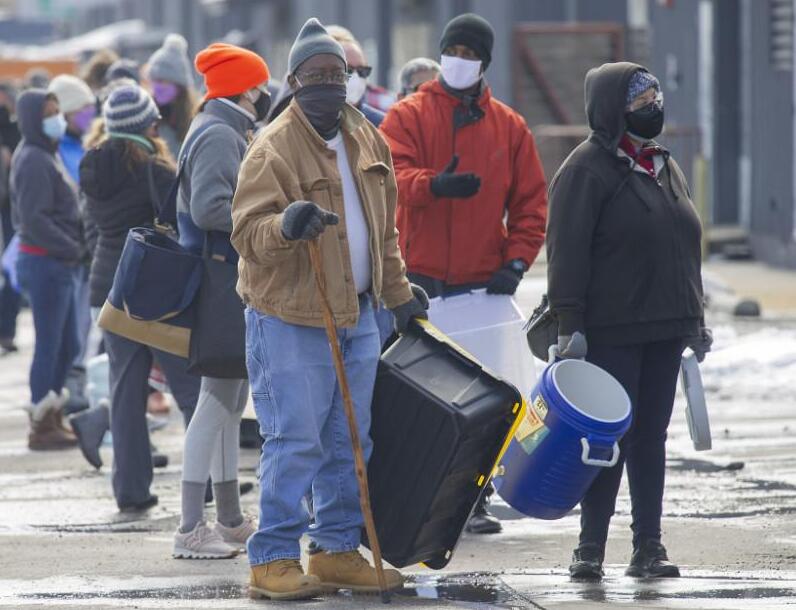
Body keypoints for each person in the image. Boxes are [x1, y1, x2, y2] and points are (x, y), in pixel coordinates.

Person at [231, 18, 427, 600]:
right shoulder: (273, 146)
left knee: (351, 439)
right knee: (295, 438)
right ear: (294, 81)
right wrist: (286, 225)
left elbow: (384, 230)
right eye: (315, 75)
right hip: (291, 314)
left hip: (358, 313)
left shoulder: (368, 136)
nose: (328, 84)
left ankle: (337, 549)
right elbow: (245, 233)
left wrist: (398, 296)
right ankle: (272, 558)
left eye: (336, 74)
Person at [380, 13, 547, 534]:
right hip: (421, 285)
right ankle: (417, 496)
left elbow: (531, 204)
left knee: (485, 402)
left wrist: (516, 261)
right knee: (420, 401)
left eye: (470, 53)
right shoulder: (407, 115)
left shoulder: (510, 127)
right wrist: (433, 186)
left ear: (484, 62)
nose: (459, 60)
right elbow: (390, 176)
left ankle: (472, 500)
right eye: (452, 50)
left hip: (482, 289)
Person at [546, 63, 713, 581]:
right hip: (611, 330)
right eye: (641, 101)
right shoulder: (586, 169)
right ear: (612, 108)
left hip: (664, 326)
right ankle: (590, 546)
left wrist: (695, 319)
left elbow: (684, 245)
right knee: (607, 442)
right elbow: (566, 253)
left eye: (656, 98)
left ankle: (648, 546)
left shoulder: (662, 163)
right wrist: (567, 324)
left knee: (651, 439)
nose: (654, 108)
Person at [78, 84, 200, 511]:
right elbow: (184, 228)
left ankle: (130, 491)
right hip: (153, 291)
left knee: (126, 392)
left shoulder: (91, 165)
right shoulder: (153, 169)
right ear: (148, 124)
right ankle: (203, 484)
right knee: (191, 390)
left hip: (109, 290)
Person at [171, 42, 272, 560]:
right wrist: (263, 217)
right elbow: (213, 210)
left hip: (221, 279)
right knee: (215, 403)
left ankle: (229, 518)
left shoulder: (217, 126)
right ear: (245, 88)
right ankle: (191, 528)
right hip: (220, 280)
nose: (264, 93)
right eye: (258, 84)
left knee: (230, 401)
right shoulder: (218, 133)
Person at [10, 89, 82, 450]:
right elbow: (36, 220)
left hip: (57, 263)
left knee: (68, 345)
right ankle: (42, 423)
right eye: (49, 113)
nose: (57, 118)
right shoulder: (34, 159)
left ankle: (53, 412)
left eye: (58, 111)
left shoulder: (44, 154)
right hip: (46, 262)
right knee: (51, 345)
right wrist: (74, 248)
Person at [47, 74, 98, 415]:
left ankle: (75, 384)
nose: (89, 117)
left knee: (84, 323)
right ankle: (65, 390)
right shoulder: (56, 151)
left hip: (84, 249)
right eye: (82, 111)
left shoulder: (82, 144)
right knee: (68, 324)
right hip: (67, 250)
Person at [145, 34, 198, 159]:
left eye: (163, 81)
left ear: (179, 85)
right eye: (155, 81)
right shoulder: (148, 116)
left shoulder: (195, 118)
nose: (158, 86)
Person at [327, 26, 384, 126]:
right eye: (348, 70)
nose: (355, 77)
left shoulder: (380, 124)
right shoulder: (301, 122)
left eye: (362, 71)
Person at [0, 80, 20, 355]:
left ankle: (6, 331)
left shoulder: (15, 130)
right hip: (9, 207)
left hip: (11, 208)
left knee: (10, 270)